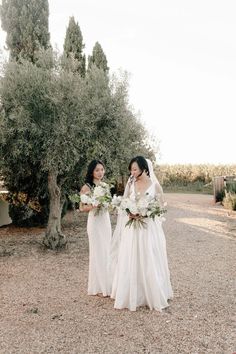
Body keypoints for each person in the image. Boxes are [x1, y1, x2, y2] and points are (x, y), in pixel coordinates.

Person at [111, 156, 173, 311]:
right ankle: (131, 293)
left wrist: (145, 213)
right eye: (131, 169)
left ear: (144, 168)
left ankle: (151, 293)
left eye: (134, 169)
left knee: (148, 256)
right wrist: (129, 212)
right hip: (132, 228)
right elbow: (124, 202)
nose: (132, 172)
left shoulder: (155, 186)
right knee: (131, 256)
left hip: (148, 228)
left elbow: (160, 208)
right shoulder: (131, 184)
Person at [80, 159, 112, 297]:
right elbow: (81, 207)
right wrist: (94, 205)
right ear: (92, 172)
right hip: (94, 221)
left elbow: (108, 204)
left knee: (107, 250)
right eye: (97, 170)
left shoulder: (105, 186)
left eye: (102, 169)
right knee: (97, 251)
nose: (100, 172)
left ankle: (109, 283)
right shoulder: (87, 187)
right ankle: (98, 286)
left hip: (105, 220)